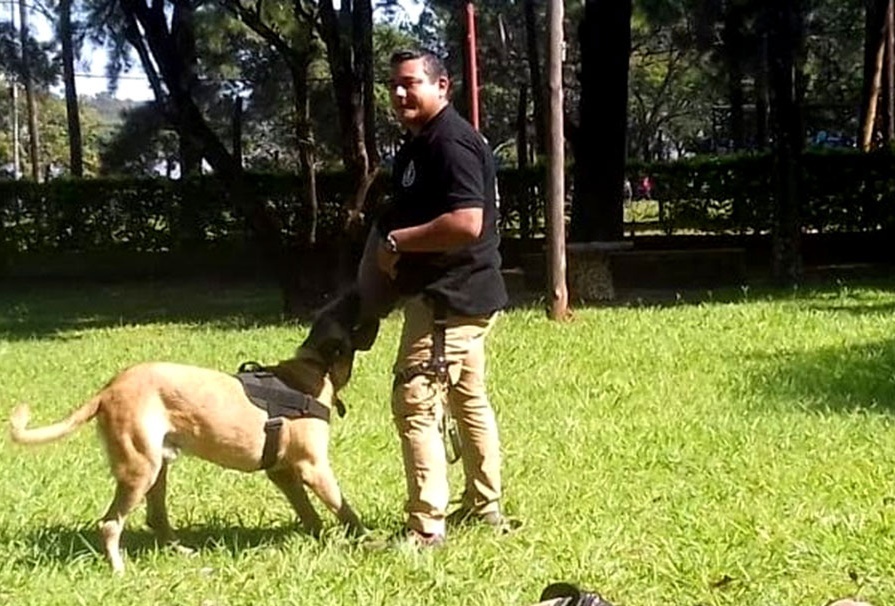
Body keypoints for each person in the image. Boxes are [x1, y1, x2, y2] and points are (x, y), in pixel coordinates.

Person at [357, 48, 510, 547]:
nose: (400, 93)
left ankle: (427, 529)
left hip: (450, 300)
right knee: (468, 401)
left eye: (411, 83)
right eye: (393, 85)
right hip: (453, 296)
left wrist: (399, 242)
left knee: (416, 403)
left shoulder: (452, 143)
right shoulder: (418, 144)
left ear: (442, 86)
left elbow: (468, 223)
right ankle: (484, 507)